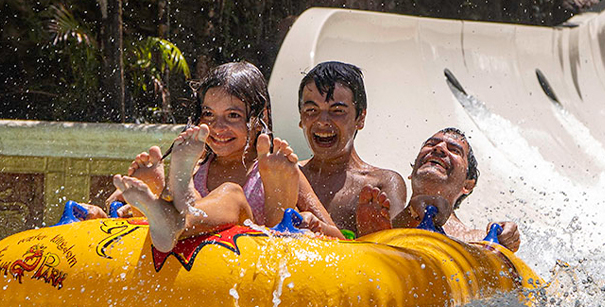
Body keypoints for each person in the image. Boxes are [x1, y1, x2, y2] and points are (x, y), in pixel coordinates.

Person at [112, 61, 331, 252]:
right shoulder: (195, 167)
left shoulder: (278, 170)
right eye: (208, 114)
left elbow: (339, 239)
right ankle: (160, 205)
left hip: (255, 261)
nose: (217, 127)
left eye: (233, 115)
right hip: (198, 266)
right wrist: (124, 206)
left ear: (260, 116)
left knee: (231, 194)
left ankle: (178, 219)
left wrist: (314, 224)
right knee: (185, 193)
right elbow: (110, 209)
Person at [355, 127, 522, 251]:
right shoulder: (380, 218)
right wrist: (368, 237)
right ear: (412, 173)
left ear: (467, 185)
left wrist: (503, 236)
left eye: (454, 150)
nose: (439, 148)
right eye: (431, 144)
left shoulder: (477, 237)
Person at [295, 61, 407, 237]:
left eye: (337, 111)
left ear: (360, 118)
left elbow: (393, 253)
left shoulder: (380, 184)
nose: (322, 120)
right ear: (301, 117)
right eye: (311, 110)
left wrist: (370, 235)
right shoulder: (288, 174)